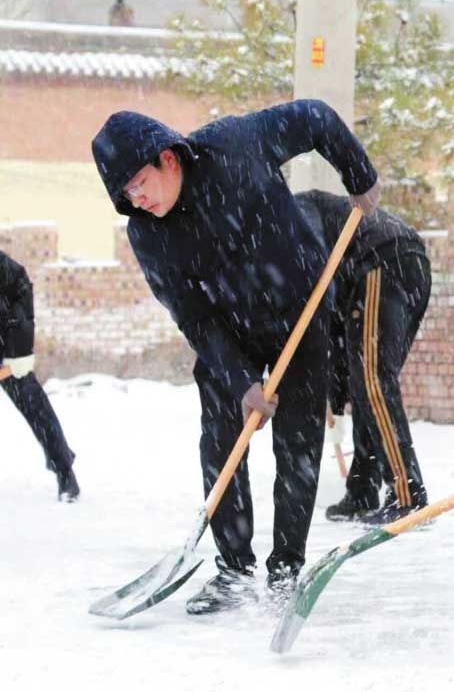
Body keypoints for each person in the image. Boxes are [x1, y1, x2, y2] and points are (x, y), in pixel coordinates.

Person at [91, 100, 381, 614]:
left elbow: (315, 118)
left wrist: (360, 177)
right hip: (229, 332)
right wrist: (241, 379)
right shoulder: (147, 233)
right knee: (221, 442)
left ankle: (286, 570)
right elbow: (192, 315)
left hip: (300, 308)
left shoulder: (235, 145)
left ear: (167, 158)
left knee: (298, 446)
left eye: (139, 184)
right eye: (126, 194)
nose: (137, 200)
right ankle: (233, 570)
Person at [294, 189, 431, 524]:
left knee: (373, 383)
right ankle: (362, 490)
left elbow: (314, 263)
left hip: (381, 261)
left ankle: (407, 494)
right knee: (365, 382)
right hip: (401, 264)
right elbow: (337, 348)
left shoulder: (292, 210)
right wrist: (336, 399)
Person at [1, 250, 79, 502]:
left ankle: (64, 470)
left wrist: (17, 351)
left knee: (32, 404)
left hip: (6, 336)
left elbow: (19, 282)